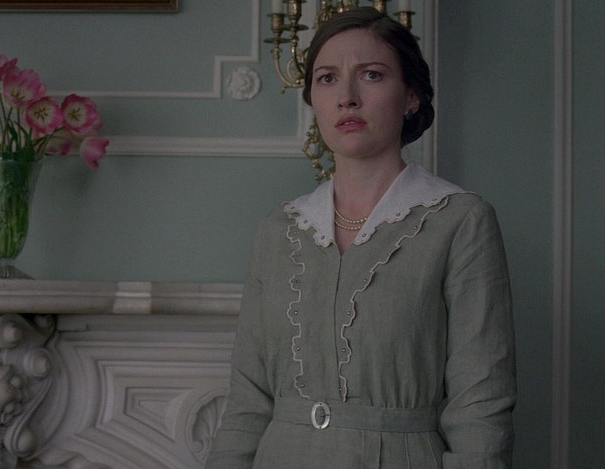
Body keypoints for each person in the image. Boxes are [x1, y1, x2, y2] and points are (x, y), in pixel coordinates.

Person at [206, 7, 516, 469]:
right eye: (327, 78)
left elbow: (481, 403)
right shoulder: (279, 230)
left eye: (371, 75)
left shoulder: (461, 221)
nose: (346, 97)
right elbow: (247, 402)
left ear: (411, 96)